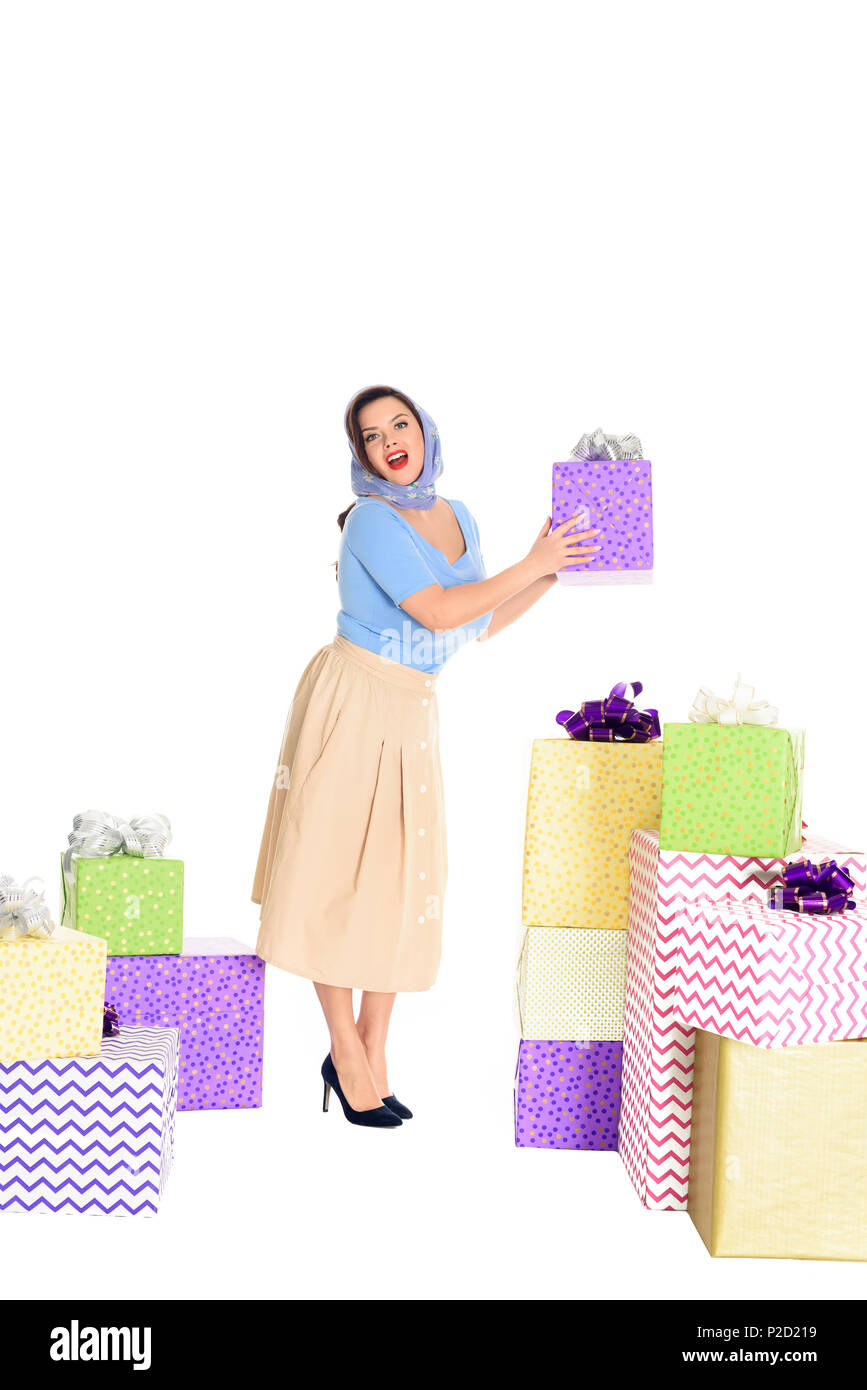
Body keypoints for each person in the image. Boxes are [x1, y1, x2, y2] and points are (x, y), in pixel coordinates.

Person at [251, 384, 599, 1127]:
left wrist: (553, 566)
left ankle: (373, 1045)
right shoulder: (370, 523)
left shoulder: (459, 515)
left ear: (425, 430)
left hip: (413, 704)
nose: (389, 442)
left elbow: (474, 625)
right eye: (372, 436)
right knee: (333, 874)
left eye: (399, 424)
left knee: (400, 882)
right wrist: (530, 559)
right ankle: (345, 1050)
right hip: (353, 698)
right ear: (362, 456)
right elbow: (436, 610)